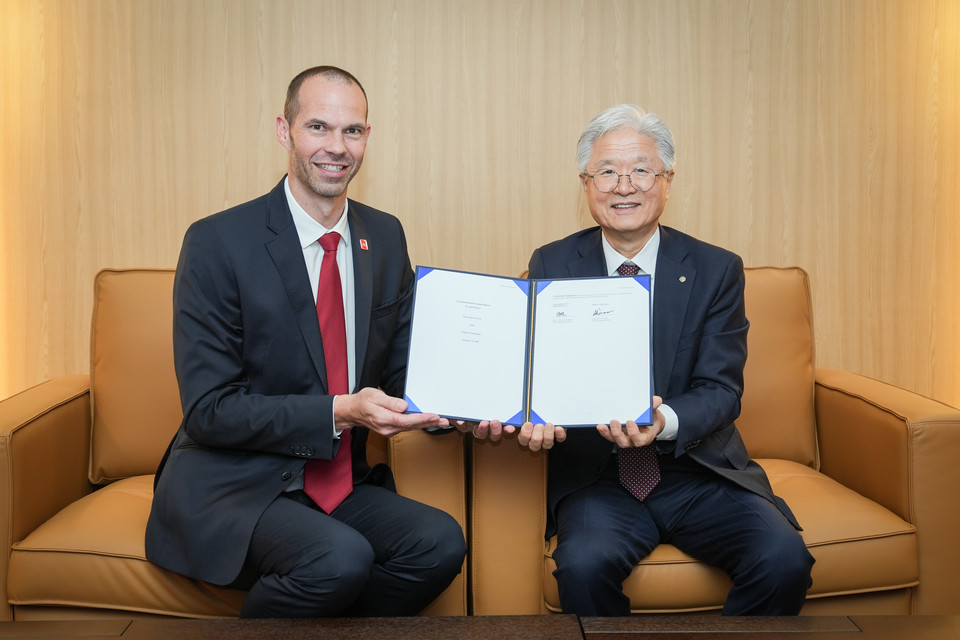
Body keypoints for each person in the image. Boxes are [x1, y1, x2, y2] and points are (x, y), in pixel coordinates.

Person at [145, 66, 466, 618]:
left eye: (353, 131)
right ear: (284, 130)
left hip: (337, 477)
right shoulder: (218, 242)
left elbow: (404, 371)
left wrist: (466, 405)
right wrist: (341, 411)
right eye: (318, 127)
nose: (336, 148)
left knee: (438, 543)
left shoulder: (383, 236)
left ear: (368, 137)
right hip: (235, 482)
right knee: (337, 560)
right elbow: (209, 412)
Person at [473, 104, 814, 616]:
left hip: (696, 470)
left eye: (640, 170)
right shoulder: (553, 262)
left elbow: (722, 390)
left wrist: (663, 422)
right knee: (584, 567)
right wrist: (527, 414)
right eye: (607, 171)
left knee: (784, 558)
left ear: (667, 181)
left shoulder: (715, 268)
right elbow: (534, 373)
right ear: (586, 184)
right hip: (598, 475)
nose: (623, 185)